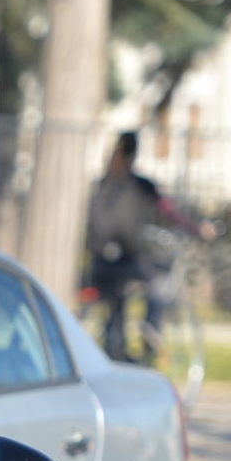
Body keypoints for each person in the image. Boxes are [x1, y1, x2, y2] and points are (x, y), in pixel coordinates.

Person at [83, 132, 212, 362]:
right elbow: (168, 211)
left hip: (99, 261)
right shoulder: (139, 184)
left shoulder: (100, 184)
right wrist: (197, 228)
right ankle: (150, 326)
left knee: (117, 302)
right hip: (128, 260)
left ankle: (117, 350)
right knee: (159, 282)